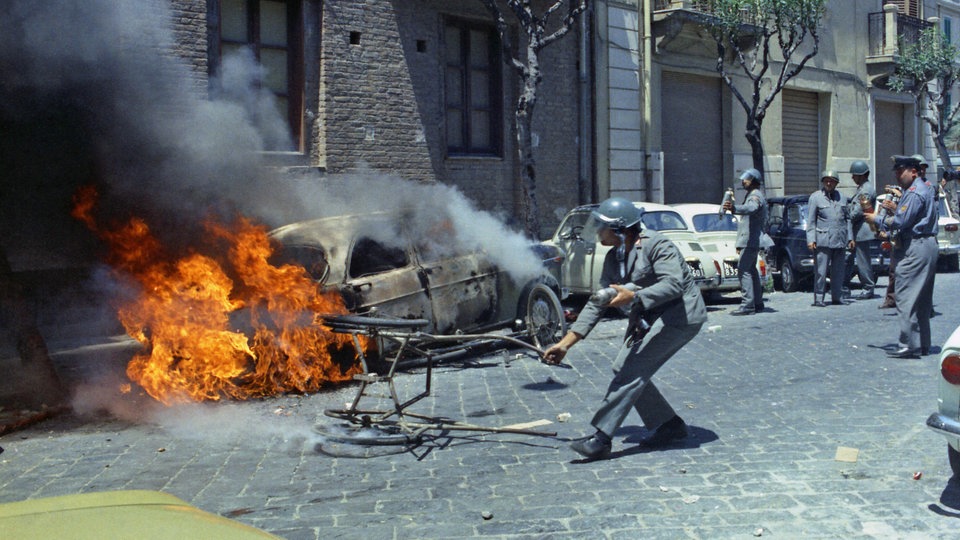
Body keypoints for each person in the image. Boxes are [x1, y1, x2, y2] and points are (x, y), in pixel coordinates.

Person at [543, 197, 707, 460]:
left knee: (632, 370)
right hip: (648, 318)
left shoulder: (657, 245)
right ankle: (669, 426)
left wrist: (635, 297)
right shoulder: (613, 258)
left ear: (620, 229)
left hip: (679, 318)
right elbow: (598, 301)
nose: (597, 231)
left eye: (602, 226)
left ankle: (601, 438)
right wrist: (565, 344)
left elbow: (674, 284)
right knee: (624, 367)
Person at [865, 155, 938, 358]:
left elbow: (901, 220)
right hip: (926, 244)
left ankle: (909, 344)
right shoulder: (923, 188)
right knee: (922, 299)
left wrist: (876, 219)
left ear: (913, 172)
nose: (898, 176)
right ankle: (922, 343)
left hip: (916, 246)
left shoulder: (914, 192)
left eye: (901, 171)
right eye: (896, 172)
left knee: (905, 296)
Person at [722, 168, 768, 315]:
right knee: (751, 270)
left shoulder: (755, 196)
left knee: (744, 270)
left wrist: (734, 208)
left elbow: (751, 208)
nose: (743, 181)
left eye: (746, 179)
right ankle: (757, 302)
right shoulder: (753, 194)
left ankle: (747, 305)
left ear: (753, 181)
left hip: (751, 239)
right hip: (750, 240)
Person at [806, 170, 855, 307]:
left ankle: (837, 297)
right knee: (821, 272)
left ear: (836, 183)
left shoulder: (843, 198)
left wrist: (850, 238)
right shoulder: (815, 198)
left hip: (840, 239)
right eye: (826, 180)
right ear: (822, 182)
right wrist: (811, 240)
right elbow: (811, 221)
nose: (829, 183)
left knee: (838, 271)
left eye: (832, 181)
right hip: (823, 240)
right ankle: (819, 298)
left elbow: (848, 219)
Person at [842, 160, 878, 300]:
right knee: (849, 259)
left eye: (855, 175)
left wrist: (847, 212)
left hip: (862, 231)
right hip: (857, 231)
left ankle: (868, 287)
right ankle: (845, 286)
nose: (853, 178)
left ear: (862, 175)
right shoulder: (863, 188)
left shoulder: (866, 190)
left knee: (863, 261)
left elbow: (857, 211)